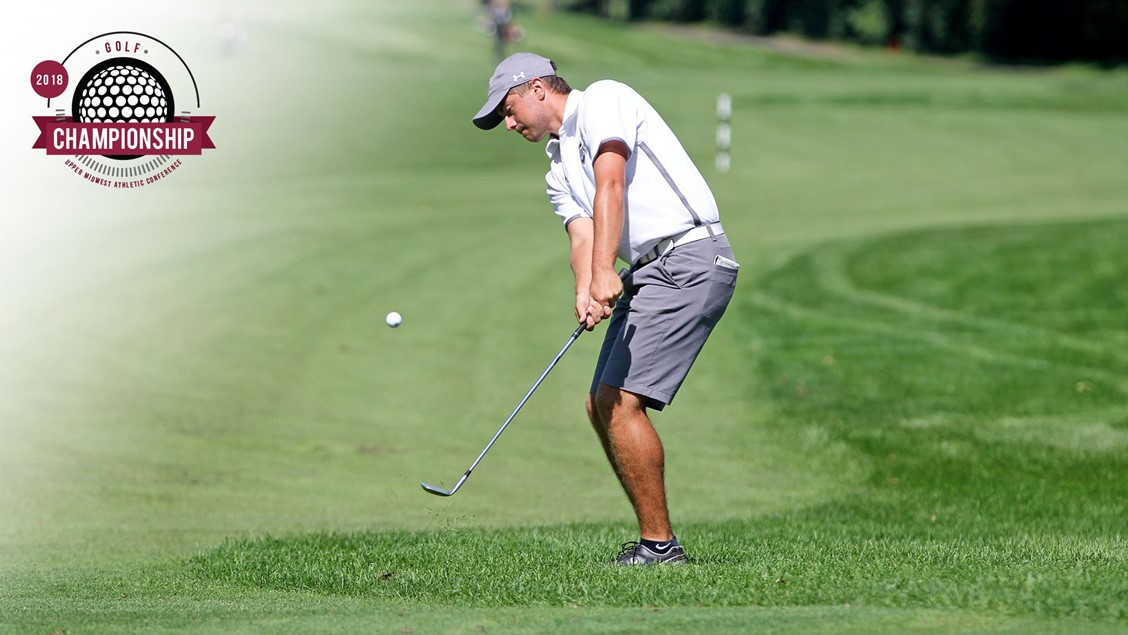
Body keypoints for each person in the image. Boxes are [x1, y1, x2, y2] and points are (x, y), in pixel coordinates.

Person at [472, 53, 739, 565]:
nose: (509, 124)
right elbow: (582, 234)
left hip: (688, 256)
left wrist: (603, 273)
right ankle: (652, 538)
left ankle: (660, 547)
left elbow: (611, 182)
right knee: (599, 404)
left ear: (537, 89)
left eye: (509, 110)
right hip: (647, 271)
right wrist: (585, 286)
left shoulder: (604, 101)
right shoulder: (556, 167)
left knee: (618, 401)